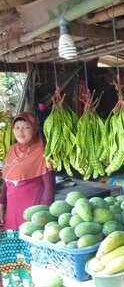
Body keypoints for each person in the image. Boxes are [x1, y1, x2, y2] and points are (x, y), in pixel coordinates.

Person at [0, 112, 55, 287]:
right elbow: (6, 181)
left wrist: (45, 216)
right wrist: (1, 204)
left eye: (26, 127)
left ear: (34, 129)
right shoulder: (11, 150)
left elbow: (49, 186)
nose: (20, 132)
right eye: (17, 127)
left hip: (31, 216)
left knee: (33, 259)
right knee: (10, 258)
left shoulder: (43, 151)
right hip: (11, 218)